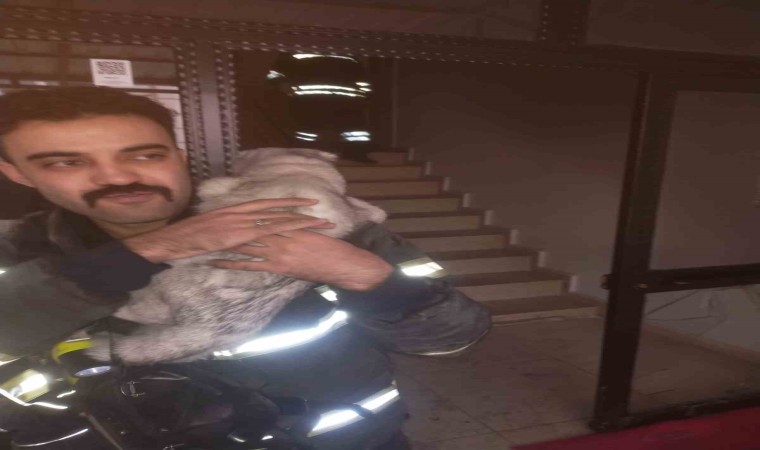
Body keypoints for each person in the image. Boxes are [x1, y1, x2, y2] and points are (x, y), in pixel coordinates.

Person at [0, 86, 490, 450]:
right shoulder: (19, 251)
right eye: (65, 163)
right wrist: (148, 250)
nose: (118, 176)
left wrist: (365, 275)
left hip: (347, 441)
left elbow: (455, 336)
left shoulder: (320, 222)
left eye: (145, 155)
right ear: (17, 173)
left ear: (178, 156)